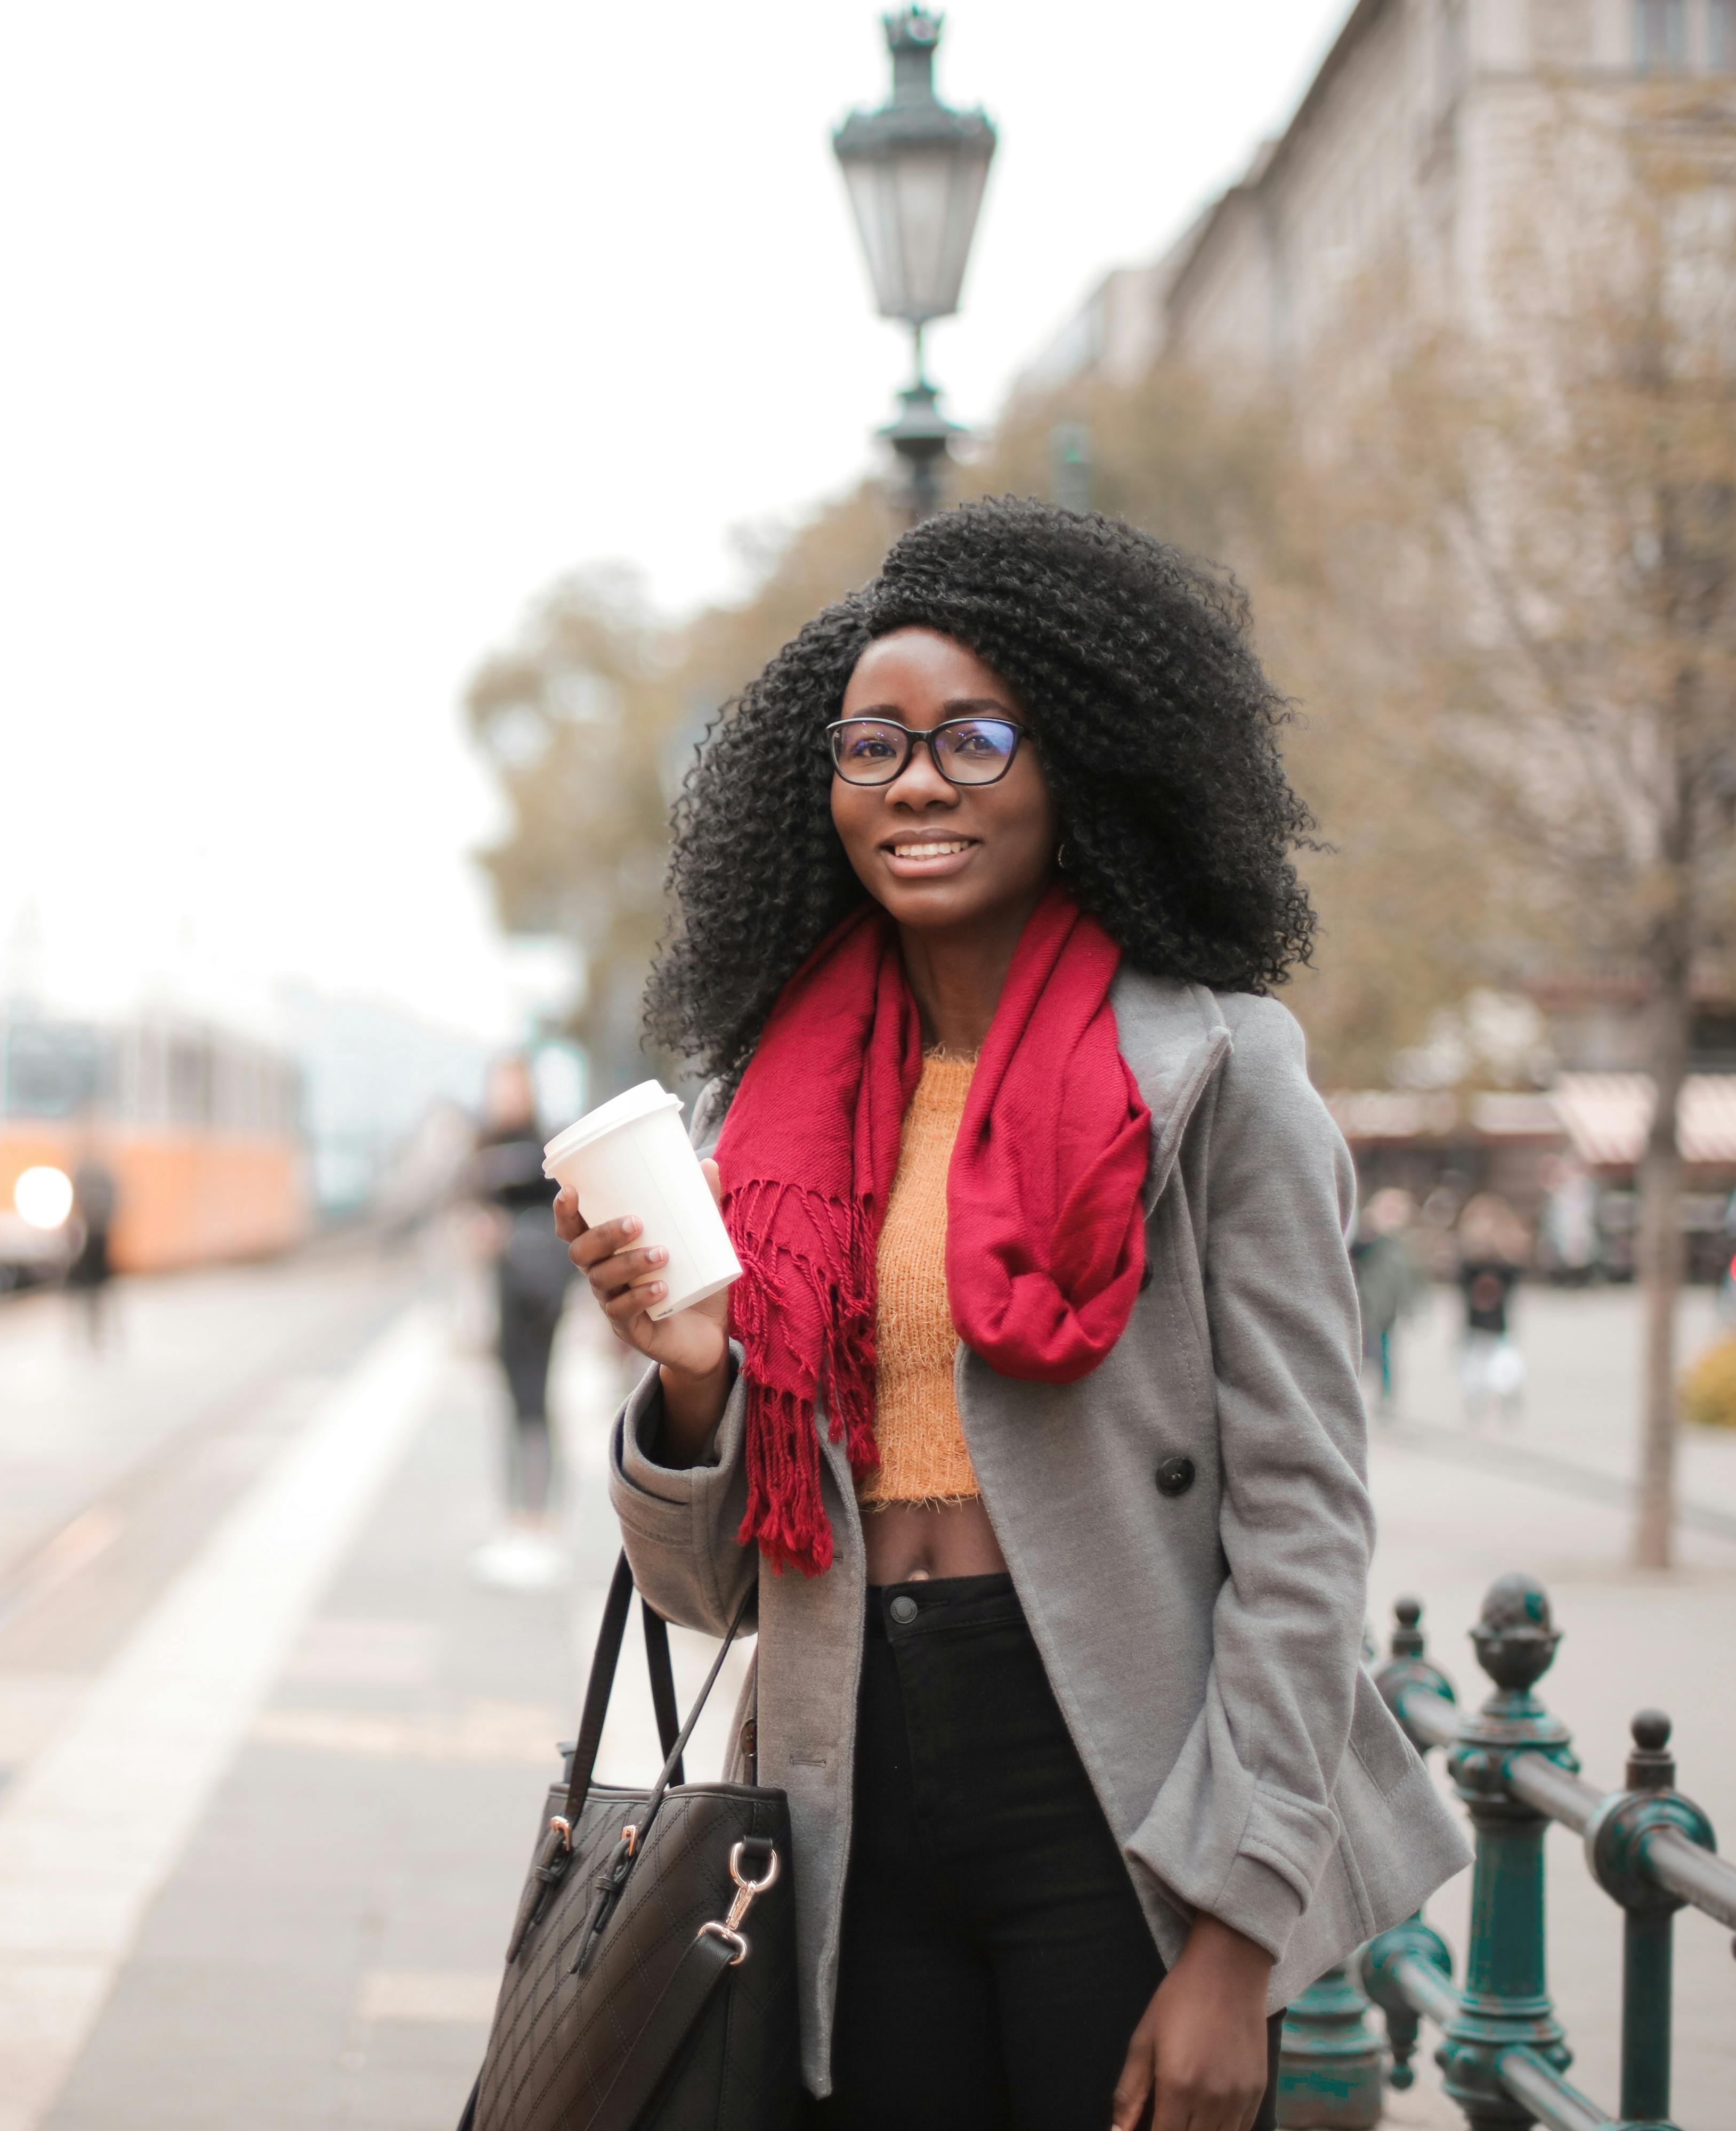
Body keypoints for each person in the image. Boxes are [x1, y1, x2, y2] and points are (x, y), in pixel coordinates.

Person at [557, 501, 1466, 2131]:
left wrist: (1235, 1940)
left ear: (1079, 765)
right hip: (844, 1789)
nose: (917, 780)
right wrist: (692, 1381)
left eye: (974, 737)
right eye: (873, 742)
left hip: (1112, 1778)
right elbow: (710, 1592)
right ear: (815, 783)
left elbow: (1304, 1521)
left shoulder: (1216, 1072)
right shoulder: (762, 1118)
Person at [466, 1055, 577, 1587]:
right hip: (505, 1290)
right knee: (511, 1402)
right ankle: (515, 1518)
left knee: (536, 1399)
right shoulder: (483, 1144)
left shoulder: (544, 1145)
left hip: (541, 1292)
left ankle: (541, 1520)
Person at [1350, 1187, 1425, 1417]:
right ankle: (1351, 1396)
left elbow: (1411, 1279)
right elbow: (1354, 1255)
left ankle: (1386, 1398)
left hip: (1389, 1312)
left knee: (1385, 1356)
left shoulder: (1405, 1243)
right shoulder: (1370, 1239)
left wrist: (1411, 1309)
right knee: (1361, 1355)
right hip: (1367, 1309)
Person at [1452, 1195, 1526, 1427]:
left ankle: (1507, 1399)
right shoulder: (1469, 1265)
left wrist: (1503, 1247)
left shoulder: (1505, 1265)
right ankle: (1476, 1404)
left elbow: (1515, 1278)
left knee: (1505, 1368)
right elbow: (1461, 1280)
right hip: (1474, 1325)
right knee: (1473, 1370)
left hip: (1499, 1325)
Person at [64, 1144, 119, 1354]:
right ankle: (90, 1333)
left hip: (96, 1239)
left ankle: (99, 1332)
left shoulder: (98, 1176)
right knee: (90, 1288)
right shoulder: (84, 1174)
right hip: (87, 1238)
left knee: (98, 1287)